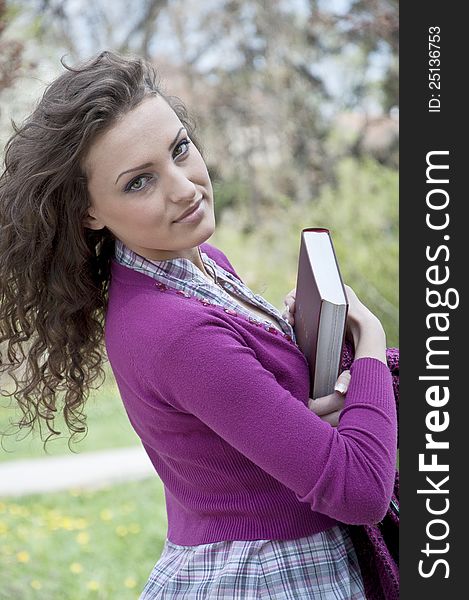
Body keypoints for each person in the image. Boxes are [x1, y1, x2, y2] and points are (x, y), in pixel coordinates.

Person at [0, 51, 397, 599]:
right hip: (271, 579)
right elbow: (359, 491)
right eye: (140, 182)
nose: (184, 188)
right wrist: (369, 342)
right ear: (88, 211)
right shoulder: (172, 329)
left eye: (179, 149)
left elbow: (231, 426)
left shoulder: (195, 262)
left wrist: (292, 364)